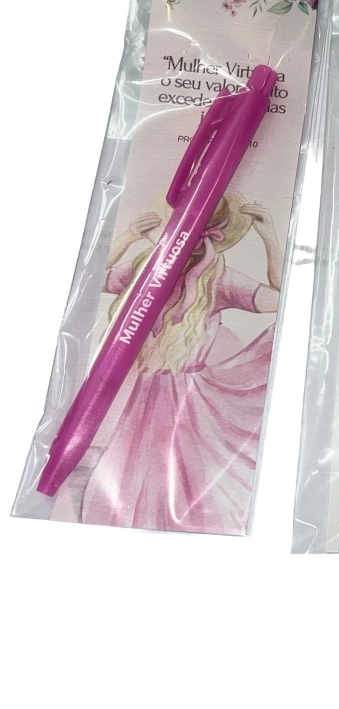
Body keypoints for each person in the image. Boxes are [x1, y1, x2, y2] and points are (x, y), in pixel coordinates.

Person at [53, 192, 282, 535]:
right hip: (146, 390)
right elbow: (89, 282)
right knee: (135, 465)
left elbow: (280, 298)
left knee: (185, 469)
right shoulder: (148, 267)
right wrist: (127, 237)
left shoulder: (219, 279)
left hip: (187, 395)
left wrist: (270, 239)